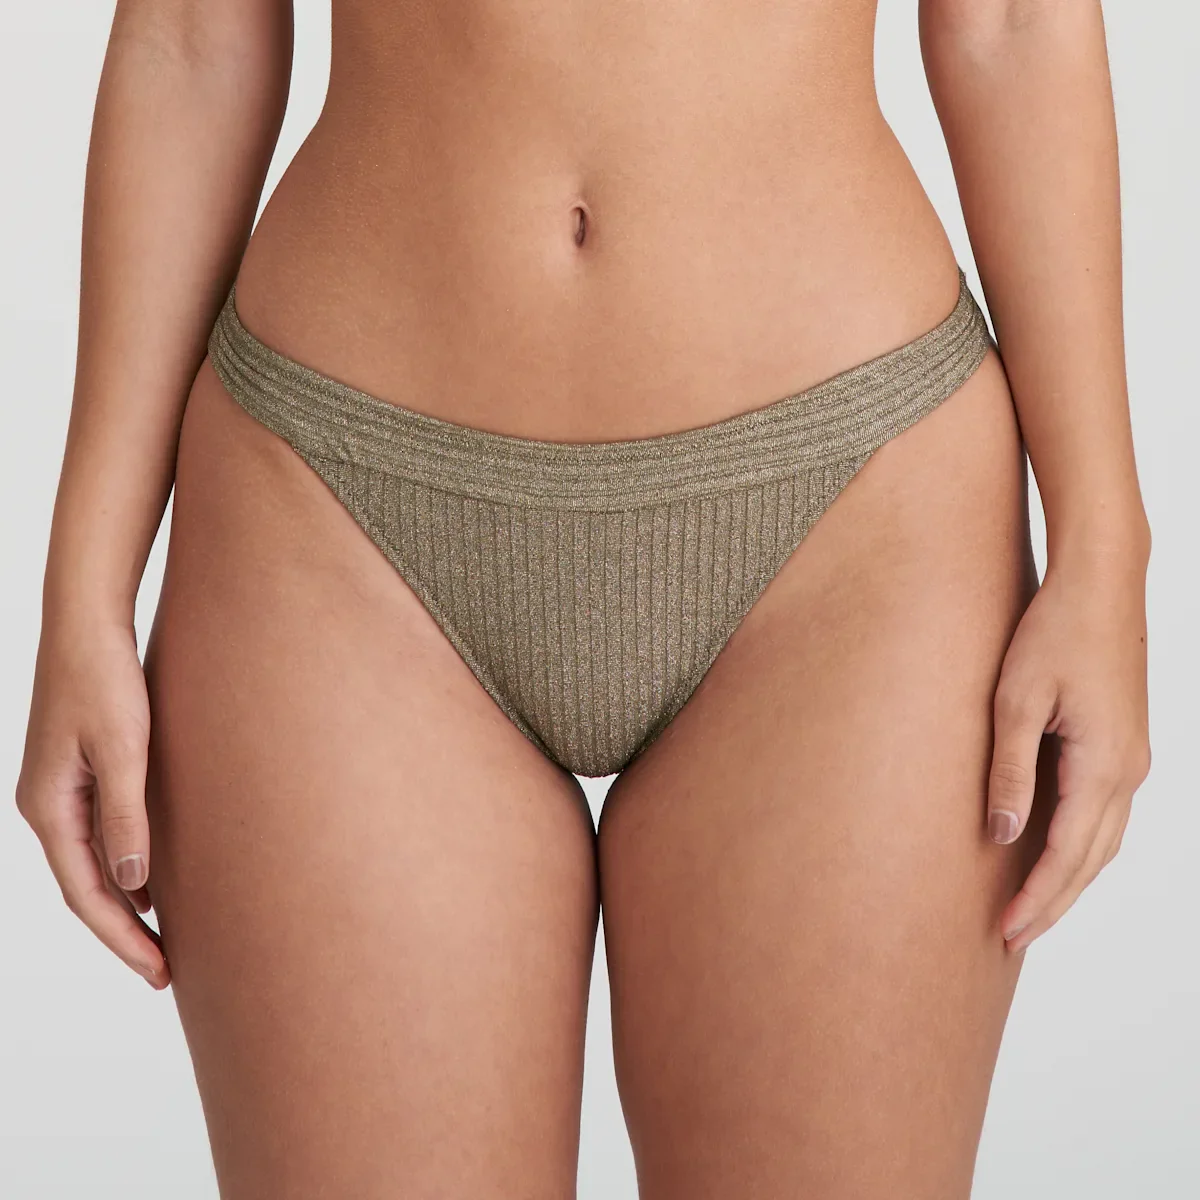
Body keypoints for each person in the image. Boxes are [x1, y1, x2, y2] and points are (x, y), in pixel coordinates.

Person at [16, 0, 1151, 1196]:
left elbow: (1012, 21)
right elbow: (193, 35)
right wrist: (83, 588)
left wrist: (1104, 545)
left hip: (855, 528)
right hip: (335, 519)